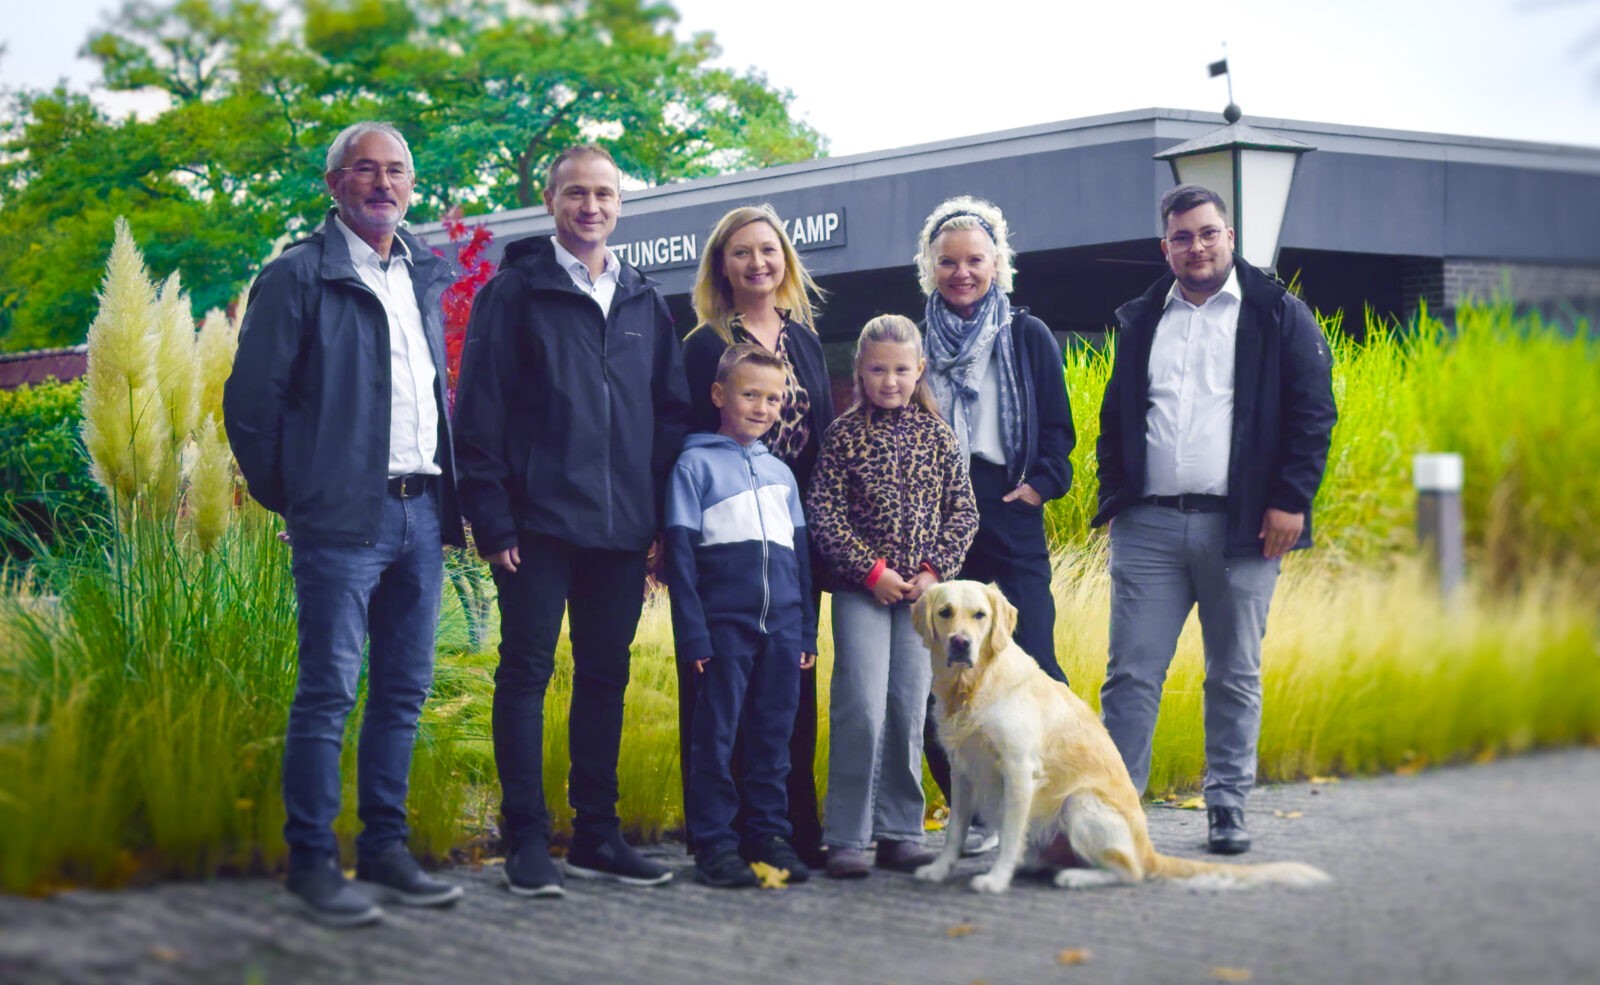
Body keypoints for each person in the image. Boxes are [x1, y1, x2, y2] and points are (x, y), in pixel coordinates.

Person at [224, 121, 464, 926]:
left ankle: (386, 851)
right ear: (334, 184)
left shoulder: (422, 272)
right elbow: (250, 407)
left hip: (422, 511)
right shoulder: (298, 275)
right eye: (365, 169)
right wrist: (302, 499)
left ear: (411, 185)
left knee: (402, 691)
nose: (383, 183)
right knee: (329, 692)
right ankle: (313, 863)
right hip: (341, 521)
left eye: (397, 171)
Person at [453, 144, 691, 896]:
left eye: (604, 194)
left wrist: (659, 519)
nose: (591, 206)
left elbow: (670, 416)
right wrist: (493, 520)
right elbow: (479, 411)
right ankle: (525, 838)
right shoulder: (513, 293)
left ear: (620, 204)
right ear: (550, 201)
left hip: (622, 529)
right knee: (524, 672)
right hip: (535, 526)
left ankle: (596, 836)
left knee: (604, 676)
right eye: (576, 193)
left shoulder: (644, 299)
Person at [1093, 184, 1337, 855]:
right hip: (1148, 527)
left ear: (1229, 236)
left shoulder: (1277, 312)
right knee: (1131, 676)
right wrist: (1115, 497)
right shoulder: (1143, 317)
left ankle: (1227, 804)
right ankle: (1116, 814)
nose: (1196, 246)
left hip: (1246, 529)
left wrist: (1291, 499)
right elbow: (1117, 415)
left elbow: (1314, 413)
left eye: (1207, 233)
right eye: (1182, 237)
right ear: (1165, 247)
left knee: (1233, 673)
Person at [914, 195, 1077, 854]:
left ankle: (1057, 808)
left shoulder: (1026, 335)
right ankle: (978, 816)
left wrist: (1037, 488)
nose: (962, 272)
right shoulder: (912, 341)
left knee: (1035, 662)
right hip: (936, 514)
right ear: (929, 266)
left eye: (975, 260)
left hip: (1009, 507)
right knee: (942, 678)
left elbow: (1059, 432)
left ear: (997, 263)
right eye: (948, 261)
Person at [678, 204, 835, 866]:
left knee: (788, 693)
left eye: (768, 250)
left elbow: (825, 436)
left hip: (790, 525)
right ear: (722, 265)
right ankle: (720, 836)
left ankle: (790, 828)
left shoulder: (805, 339)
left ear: (785, 259)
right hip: (725, 533)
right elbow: (680, 434)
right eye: (741, 251)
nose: (757, 262)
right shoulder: (703, 344)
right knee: (719, 702)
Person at [806, 314, 978, 879]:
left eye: (902, 370)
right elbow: (824, 515)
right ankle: (846, 836)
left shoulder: (938, 435)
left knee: (907, 708)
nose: (890, 381)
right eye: (878, 370)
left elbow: (963, 512)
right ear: (860, 370)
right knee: (860, 705)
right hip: (863, 593)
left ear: (919, 369)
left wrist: (933, 573)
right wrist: (870, 571)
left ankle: (899, 832)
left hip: (921, 600)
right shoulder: (843, 436)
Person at [665, 344, 818, 888]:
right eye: (750, 394)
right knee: (716, 737)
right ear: (718, 395)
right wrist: (693, 634)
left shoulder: (781, 474)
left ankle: (768, 836)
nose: (762, 408)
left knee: (774, 738)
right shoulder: (693, 465)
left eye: (773, 399)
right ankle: (715, 842)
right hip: (722, 629)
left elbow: (800, 560)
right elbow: (680, 559)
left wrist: (806, 632)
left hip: (783, 630)